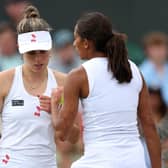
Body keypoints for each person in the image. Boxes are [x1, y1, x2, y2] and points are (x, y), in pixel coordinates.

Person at [51, 12, 161, 168]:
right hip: (135, 162)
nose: (74, 44)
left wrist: (55, 106)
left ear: (86, 43)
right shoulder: (135, 70)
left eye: (76, 38)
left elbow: (62, 133)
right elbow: (149, 126)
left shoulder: (77, 76)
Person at [0, 5, 79, 168]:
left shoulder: (64, 82)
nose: (38, 59)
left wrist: (57, 113)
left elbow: (73, 137)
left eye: (42, 52)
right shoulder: (4, 80)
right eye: (31, 53)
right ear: (21, 51)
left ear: (50, 50)